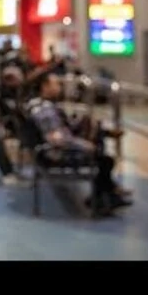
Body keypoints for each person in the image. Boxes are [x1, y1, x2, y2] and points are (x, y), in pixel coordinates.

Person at [26, 72, 132, 214]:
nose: (60, 87)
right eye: (56, 84)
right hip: (56, 153)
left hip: (53, 147)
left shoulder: (37, 104)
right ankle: (104, 196)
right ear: (45, 86)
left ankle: (107, 193)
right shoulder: (46, 111)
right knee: (105, 160)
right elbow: (59, 139)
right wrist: (85, 145)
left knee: (95, 136)